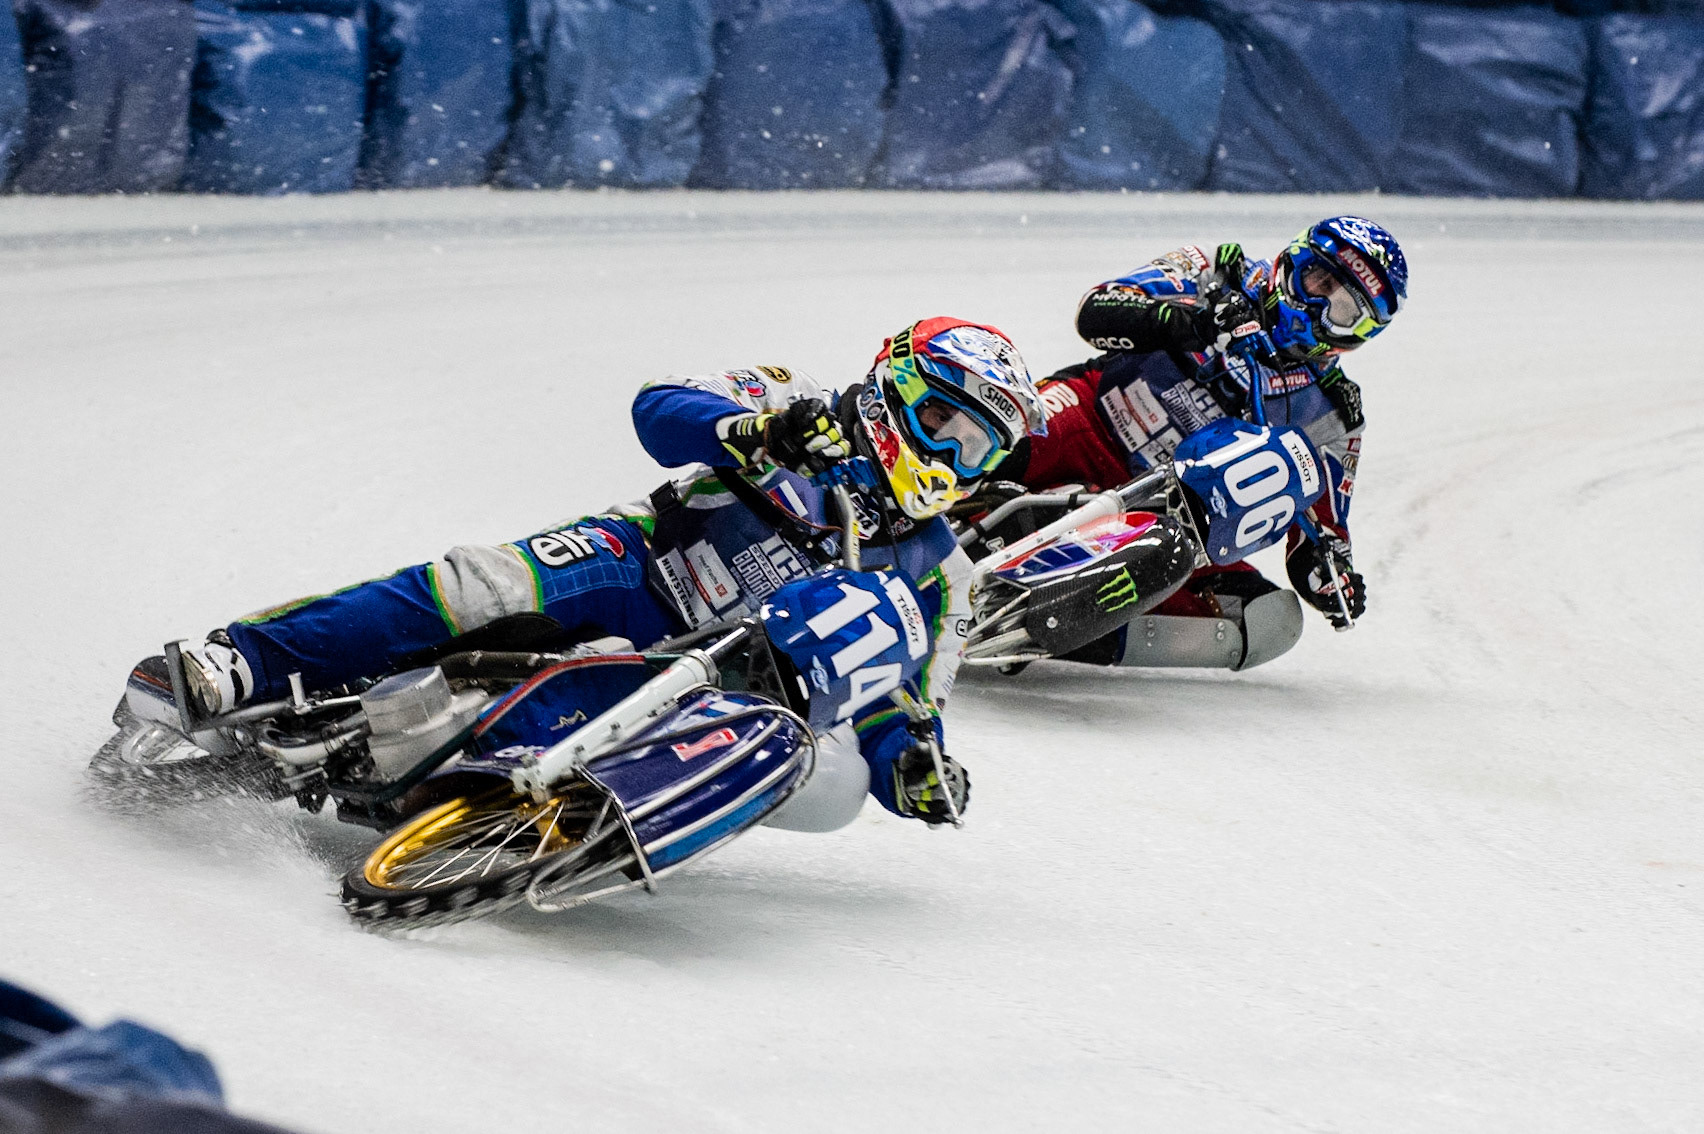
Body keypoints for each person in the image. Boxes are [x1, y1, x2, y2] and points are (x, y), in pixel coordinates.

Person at [143, 318, 1046, 826]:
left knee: (834, 790)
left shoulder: (945, 575)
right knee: (479, 585)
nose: (952, 458)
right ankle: (241, 662)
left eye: (979, 449)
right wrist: (755, 432)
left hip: (724, 682)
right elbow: (659, 408)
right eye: (944, 425)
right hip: (640, 563)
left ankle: (538, 820)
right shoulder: (796, 398)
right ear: (896, 392)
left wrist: (910, 763)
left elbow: (899, 695)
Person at [979, 216, 1407, 669]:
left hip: (1165, 520)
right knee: (1003, 435)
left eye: (1342, 308)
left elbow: (1321, 535)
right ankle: (949, 511)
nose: (1318, 306)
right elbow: (1095, 312)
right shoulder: (1216, 269)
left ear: (1359, 333)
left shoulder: (1335, 413)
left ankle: (1050, 627)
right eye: (1318, 281)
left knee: (1269, 621)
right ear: (1292, 262)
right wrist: (1195, 323)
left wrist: (1329, 580)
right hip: (1089, 422)